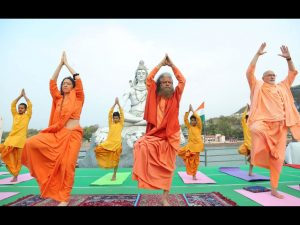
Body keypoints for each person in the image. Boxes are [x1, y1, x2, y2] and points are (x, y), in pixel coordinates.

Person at [21, 51, 84, 206]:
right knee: (30, 143)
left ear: (73, 87)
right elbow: (52, 82)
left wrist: (67, 64)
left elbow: (78, 78)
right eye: (64, 84)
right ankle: (42, 175)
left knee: (67, 166)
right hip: (58, 134)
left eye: (68, 83)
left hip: (73, 135)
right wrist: (59, 65)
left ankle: (65, 198)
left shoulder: (79, 97)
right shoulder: (58, 99)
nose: (65, 85)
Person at [247, 43, 300, 199]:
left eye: (274, 75)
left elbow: (292, 72)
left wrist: (289, 58)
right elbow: (249, 72)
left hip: (281, 127)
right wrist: (257, 54)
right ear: (263, 78)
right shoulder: (258, 85)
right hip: (262, 123)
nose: (272, 76)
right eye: (269, 75)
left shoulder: (282, 87)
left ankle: (274, 189)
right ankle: (258, 154)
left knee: (278, 160)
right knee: (256, 129)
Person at [132, 54, 186, 206]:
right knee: (139, 145)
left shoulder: (176, 95)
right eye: (164, 82)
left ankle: (164, 198)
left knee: (169, 168)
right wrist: (161, 64)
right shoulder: (154, 95)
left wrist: (172, 65)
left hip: (171, 136)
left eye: (170, 82)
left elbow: (182, 80)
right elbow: (149, 79)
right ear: (159, 85)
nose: (168, 84)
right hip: (155, 134)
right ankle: (146, 178)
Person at [0, 89, 32, 182]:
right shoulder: (15, 115)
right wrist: (20, 96)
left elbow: (30, 105)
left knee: (18, 161)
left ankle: (15, 175)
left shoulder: (27, 116)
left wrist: (25, 96)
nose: (20, 109)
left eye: (22, 108)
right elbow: (12, 105)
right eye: (19, 108)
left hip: (20, 142)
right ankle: (14, 173)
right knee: (4, 152)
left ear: (25, 110)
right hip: (11, 139)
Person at [94, 97, 124, 181]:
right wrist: (114, 104)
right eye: (114, 118)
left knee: (116, 160)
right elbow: (109, 114)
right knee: (98, 149)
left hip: (117, 144)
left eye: (117, 118)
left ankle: (114, 174)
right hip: (109, 143)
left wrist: (118, 105)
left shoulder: (121, 124)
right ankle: (104, 163)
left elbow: (122, 114)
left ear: (119, 118)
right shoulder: (111, 124)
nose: (115, 119)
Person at [178, 104, 204, 180]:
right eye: (191, 120)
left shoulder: (199, 127)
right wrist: (188, 111)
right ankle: (187, 161)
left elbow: (198, 118)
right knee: (179, 152)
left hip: (197, 147)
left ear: (196, 121)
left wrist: (193, 110)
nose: (192, 121)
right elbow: (185, 119)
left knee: (195, 162)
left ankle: (194, 175)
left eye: (194, 120)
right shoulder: (189, 127)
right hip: (190, 146)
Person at [123, 60, 148, 126]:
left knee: (158, 116)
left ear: (146, 75)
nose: (141, 75)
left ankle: (133, 123)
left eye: (143, 73)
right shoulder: (130, 90)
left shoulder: (150, 90)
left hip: (145, 114)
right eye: (139, 73)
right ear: (136, 76)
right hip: (132, 115)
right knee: (117, 113)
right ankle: (140, 121)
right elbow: (120, 106)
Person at [238, 104, 254, 176]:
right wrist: (247, 109)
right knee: (240, 150)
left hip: (253, 144)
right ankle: (249, 157)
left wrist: (251, 110)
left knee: (252, 158)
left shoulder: (253, 125)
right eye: (248, 118)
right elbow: (242, 118)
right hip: (246, 143)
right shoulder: (245, 124)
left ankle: (250, 172)